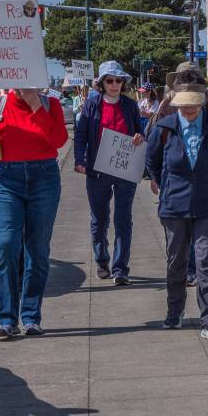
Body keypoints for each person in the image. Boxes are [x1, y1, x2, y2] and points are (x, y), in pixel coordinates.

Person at [0, 83, 68, 338]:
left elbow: (58, 140)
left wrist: (33, 104)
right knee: (7, 244)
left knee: (38, 247)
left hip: (44, 176)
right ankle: (8, 318)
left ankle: (31, 316)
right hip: (8, 179)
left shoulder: (48, 103)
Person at [147, 74, 208, 339]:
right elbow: (153, 162)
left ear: (204, 101)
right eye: (184, 104)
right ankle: (175, 312)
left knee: (206, 261)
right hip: (174, 204)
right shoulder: (164, 128)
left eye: (194, 103)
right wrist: (164, 183)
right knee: (177, 260)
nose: (189, 109)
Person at [73, 60, 145, 285]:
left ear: (123, 83)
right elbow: (81, 134)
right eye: (110, 80)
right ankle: (102, 260)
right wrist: (79, 159)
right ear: (102, 83)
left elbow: (139, 132)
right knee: (99, 220)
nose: (114, 84)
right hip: (97, 171)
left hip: (124, 169)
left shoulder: (130, 105)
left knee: (124, 220)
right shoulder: (92, 105)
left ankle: (121, 268)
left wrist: (138, 137)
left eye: (118, 80)